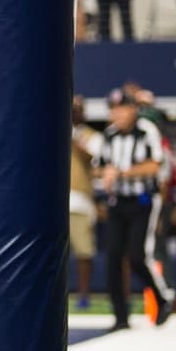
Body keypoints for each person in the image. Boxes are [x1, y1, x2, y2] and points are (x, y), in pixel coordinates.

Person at [97, 88, 175, 331]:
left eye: (121, 108)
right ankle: (120, 315)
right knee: (112, 257)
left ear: (133, 109)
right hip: (118, 202)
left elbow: (154, 165)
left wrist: (120, 172)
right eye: (113, 109)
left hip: (143, 201)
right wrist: (105, 174)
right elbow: (97, 167)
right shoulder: (109, 135)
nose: (116, 114)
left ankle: (163, 298)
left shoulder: (146, 131)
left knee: (137, 255)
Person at [70, 96, 102, 308]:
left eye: (78, 108)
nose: (74, 111)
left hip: (80, 200)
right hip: (54, 202)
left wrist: (72, 138)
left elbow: (93, 158)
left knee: (84, 252)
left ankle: (84, 294)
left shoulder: (93, 136)